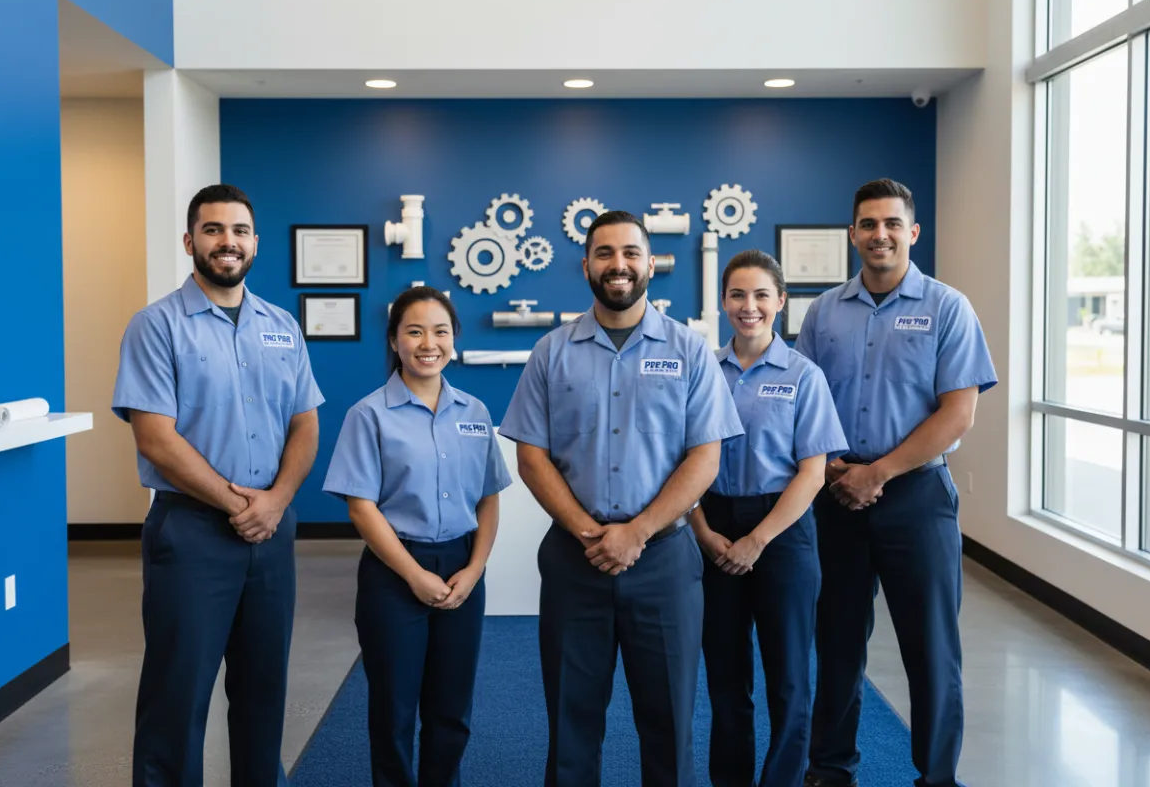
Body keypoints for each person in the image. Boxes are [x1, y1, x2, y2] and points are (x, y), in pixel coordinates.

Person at [498, 210, 743, 787]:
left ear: (650, 263)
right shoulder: (551, 353)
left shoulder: (688, 351)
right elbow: (531, 456)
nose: (618, 265)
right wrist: (590, 531)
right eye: (604, 253)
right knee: (572, 719)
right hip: (574, 561)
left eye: (631, 252)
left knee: (670, 721)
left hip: (663, 562)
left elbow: (704, 458)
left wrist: (637, 532)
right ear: (586, 265)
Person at [112, 183, 324, 786]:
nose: (226, 242)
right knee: (178, 695)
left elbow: (305, 423)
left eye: (238, 231)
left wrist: (276, 502)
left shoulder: (282, 326)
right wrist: (239, 505)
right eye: (212, 230)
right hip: (192, 531)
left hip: (272, 531)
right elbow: (155, 438)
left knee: (264, 690)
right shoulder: (155, 326)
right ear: (190, 241)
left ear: (255, 243)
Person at [796, 179, 997, 787]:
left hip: (916, 498)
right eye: (867, 224)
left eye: (891, 223)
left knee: (931, 650)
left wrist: (877, 473)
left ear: (912, 232)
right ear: (852, 234)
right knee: (835, 645)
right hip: (836, 496)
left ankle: (936, 778)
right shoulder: (824, 311)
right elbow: (805, 404)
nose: (878, 234)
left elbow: (958, 413)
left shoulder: (948, 307)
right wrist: (835, 470)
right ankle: (830, 770)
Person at [322, 285, 511, 787]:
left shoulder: (475, 413)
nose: (429, 342)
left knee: (452, 707)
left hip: (463, 570)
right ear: (394, 340)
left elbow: (489, 497)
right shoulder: (369, 414)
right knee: (394, 707)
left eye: (441, 331)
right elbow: (361, 508)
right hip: (394, 572)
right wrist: (413, 575)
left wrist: (475, 569)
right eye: (415, 331)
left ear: (455, 340)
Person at [691, 250, 848, 787]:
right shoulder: (704, 372)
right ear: (723, 302)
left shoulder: (805, 376)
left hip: (782, 532)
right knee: (725, 679)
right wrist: (704, 532)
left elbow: (811, 474)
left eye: (761, 295)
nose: (748, 306)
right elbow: (682, 463)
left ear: (781, 302)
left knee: (788, 680)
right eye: (737, 295)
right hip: (712, 528)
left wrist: (756, 540)